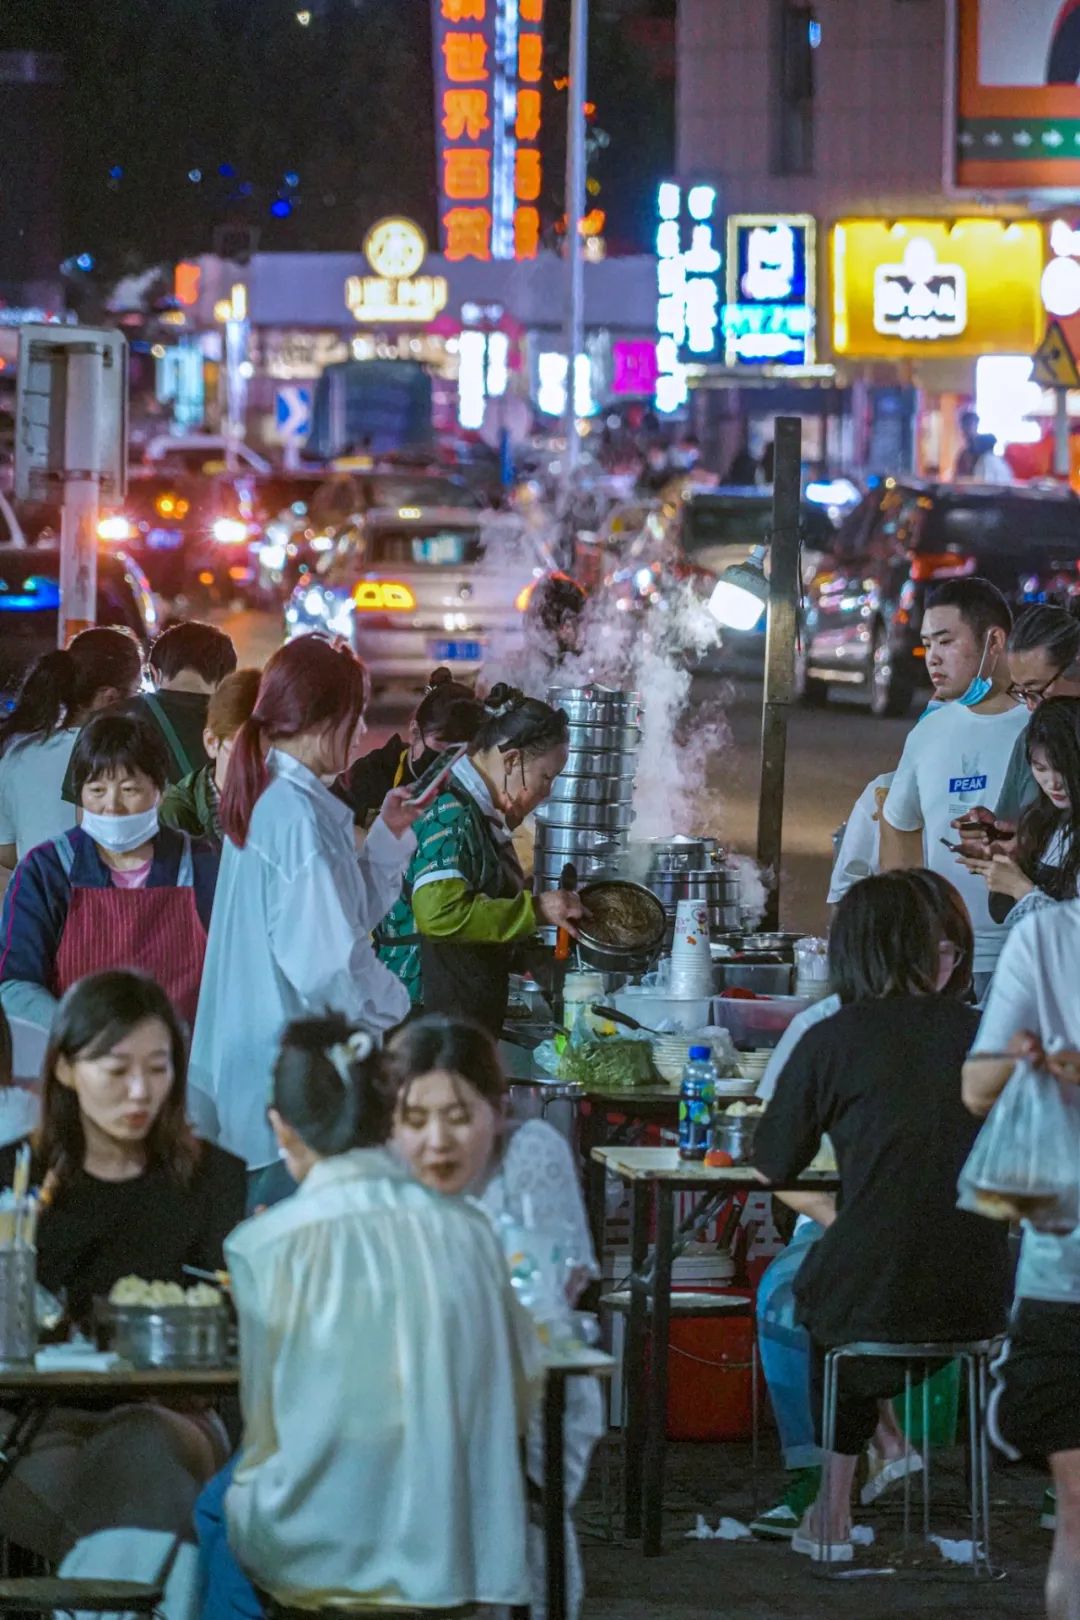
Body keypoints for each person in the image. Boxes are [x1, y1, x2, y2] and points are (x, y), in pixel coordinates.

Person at [221, 1014, 541, 1613]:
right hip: (460, 1557)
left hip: (314, 1554)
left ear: (281, 1130)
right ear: (387, 1115)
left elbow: (265, 1431)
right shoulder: (474, 1231)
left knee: (221, 1505)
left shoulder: (264, 1245)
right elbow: (521, 1397)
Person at [752, 871, 1012, 1562]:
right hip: (983, 1291)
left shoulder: (830, 1038)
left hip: (870, 1290)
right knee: (852, 1286)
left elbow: (773, 1162)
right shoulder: (986, 1035)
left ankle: (831, 1512)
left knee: (823, 1303)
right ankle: (889, 1456)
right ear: (932, 954)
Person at [0, 971, 245, 1620]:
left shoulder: (213, 1179)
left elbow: (234, 1326)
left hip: (174, 1420)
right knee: (119, 1497)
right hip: (37, 1424)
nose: (141, 1091)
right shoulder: (17, 1184)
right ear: (66, 1070)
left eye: (158, 1068)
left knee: (143, 1447)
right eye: (116, 1069)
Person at [188, 635, 419, 1203]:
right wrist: (396, 1014)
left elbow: (340, 911)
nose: (362, 730)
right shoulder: (293, 814)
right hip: (289, 1087)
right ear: (323, 720)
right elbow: (329, 964)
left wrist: (388, 834)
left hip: (269, 1076)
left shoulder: (289, 798)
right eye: (356, 715)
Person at [388, 1014, 603, 1620]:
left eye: (459, 1116)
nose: (437, 1140)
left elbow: (555, 1292)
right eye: (416, 1119)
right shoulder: (379, 1172)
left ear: (497, 1108)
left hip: (525, 1402)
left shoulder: (529, 1156)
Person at [377, 684, 584, 1034]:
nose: (546, 793)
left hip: (455, 1020)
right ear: (512, 760)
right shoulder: (452, 813)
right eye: (545, 778)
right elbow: (439, 915)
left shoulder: (477, 811)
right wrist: (536, 910)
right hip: (422, 1026)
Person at [0, 713, 218, 1034]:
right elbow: (15, 983)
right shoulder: (46, 870)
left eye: (129, 789)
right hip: (80, 1063)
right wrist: (83, 1036)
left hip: (182, 1065)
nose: (111, 806)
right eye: (97, 790)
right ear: (81, 794)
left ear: (159, 791)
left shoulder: (203, 864)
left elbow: (234, 974)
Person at [880, 577, 1027, 994]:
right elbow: (898, 822)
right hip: (947, 962)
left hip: (1026, 956)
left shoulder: (1041, 728)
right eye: (927, 644)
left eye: (945, 642)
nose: (933, 659)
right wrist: (913, 925)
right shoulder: (930, 730)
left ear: (994, 641)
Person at [0, 628, 143, 873]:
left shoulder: (18, 753)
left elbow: (5, 850)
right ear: (109, 698)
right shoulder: (126, 758)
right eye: (137, 693)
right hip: (102, 905)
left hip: (38, 902)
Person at [60, 620, 238, 801]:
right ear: (228, 678)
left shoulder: (105, 721)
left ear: (154, 673)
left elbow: (85, 817)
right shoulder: (250, 725)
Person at [961, 698, 1080, 926]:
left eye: (1063, 769)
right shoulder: (1046, 819)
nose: (1052, 783)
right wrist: (1009, 858)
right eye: (1040, 768)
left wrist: (1020, 888)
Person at [334, 666, 479, 830]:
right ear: (414, 731)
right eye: (442, 749)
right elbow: (322, 821)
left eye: (460, 752)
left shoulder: (476, 787)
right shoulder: (373, 774)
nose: (450, 762)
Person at [995, 600, 1080, 828]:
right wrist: (1001, 834)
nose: (1031, 706)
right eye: (1021, 692)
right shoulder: (1031, 738)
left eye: (1035, 691)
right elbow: (1012, 818)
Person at [160, 669, 261, 846]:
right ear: (212, 742)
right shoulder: (175, 814)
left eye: (274, 755)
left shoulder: (288, 807)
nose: (258, 765)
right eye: (243, 752)